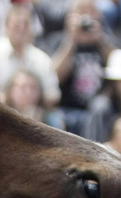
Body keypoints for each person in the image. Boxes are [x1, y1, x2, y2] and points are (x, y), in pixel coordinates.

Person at [0, 4, 59, 105]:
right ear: (6, 27)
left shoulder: (41, 59)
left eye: (25, 25)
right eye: (17, 26)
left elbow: (53, 95)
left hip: (33, 116)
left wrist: (32, 96)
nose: (21, 29)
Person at [44, 0, 113, 136]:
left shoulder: (105, 39)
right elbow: (54, 77)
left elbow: (119, 67)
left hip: (98, 110)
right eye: (81, 11)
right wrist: (71, 41)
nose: (86, 16)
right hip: (66, 110)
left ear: (99, 15)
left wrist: (100, 40)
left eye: (91, 11)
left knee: (101, 108)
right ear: (70, 16)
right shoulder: (58, 41)